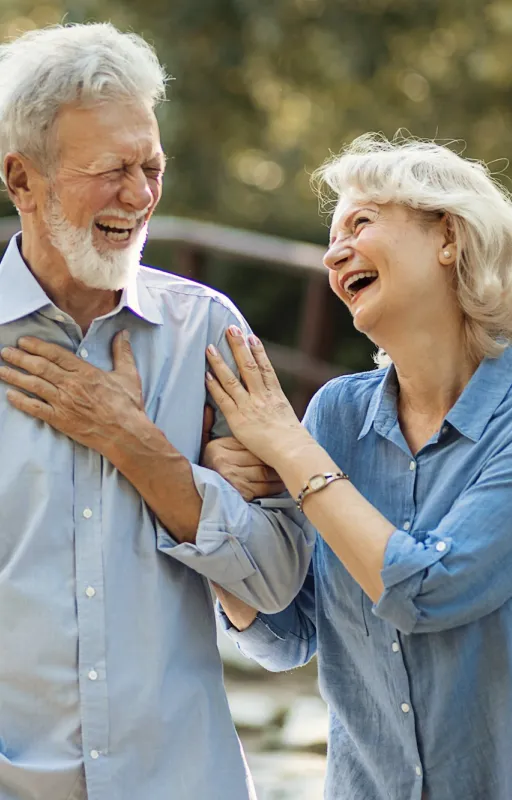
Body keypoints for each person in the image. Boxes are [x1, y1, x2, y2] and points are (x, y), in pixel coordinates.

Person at [203, 134, 512, 799]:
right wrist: (214, 497)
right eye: (332, 236)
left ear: (449, 238)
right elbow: (286, 635)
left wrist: (290, 452)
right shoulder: (336, 418)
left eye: (360, 222)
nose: (333, 251)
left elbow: (432, 589)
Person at [0, 23, 312, 800]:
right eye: (111, 171)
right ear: (22, 178)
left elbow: (278, 590)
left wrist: (138, 446)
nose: (139, 197)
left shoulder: (210, 334)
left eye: (151, 167)